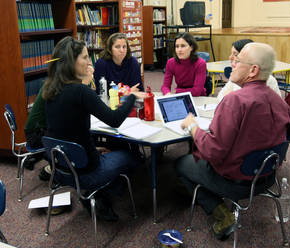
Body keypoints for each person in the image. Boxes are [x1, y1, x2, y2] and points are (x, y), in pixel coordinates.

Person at [176, 43, 290, 240]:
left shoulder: (235, 101)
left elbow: (212, 151)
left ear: (253, 70)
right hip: (268, 178)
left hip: (237, 182)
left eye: (237, 61)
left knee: (181, 163)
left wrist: (193, 127)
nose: (232, 65)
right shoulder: (279, 101)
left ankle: (221, 213)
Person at [42, 36, 147, 221]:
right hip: (88, 172)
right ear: (71, 62)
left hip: (61, 169)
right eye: (84, 57)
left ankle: (97, 195)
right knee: (134, 157)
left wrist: (91, 149)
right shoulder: (81, 91)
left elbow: (66, 130)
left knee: (108, 150)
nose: (89, 62)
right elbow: (114, 120)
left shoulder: (50, 89)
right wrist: (130, 96)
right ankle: (101, 195)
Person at [217, 39, 281, 102]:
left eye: (236, 55)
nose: (230, 57)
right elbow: (221, 97)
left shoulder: (267, 80)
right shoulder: (236, 77)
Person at [161, 32, 209, 97]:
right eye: (177, 46)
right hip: (180, 96)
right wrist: (167, 93)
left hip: (198, 97)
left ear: (191, 47)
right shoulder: (171, 62)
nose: (179, 50)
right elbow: (165, 86)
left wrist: (177, 91)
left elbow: (196, 91)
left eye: (183, 46)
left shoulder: (200, 63)